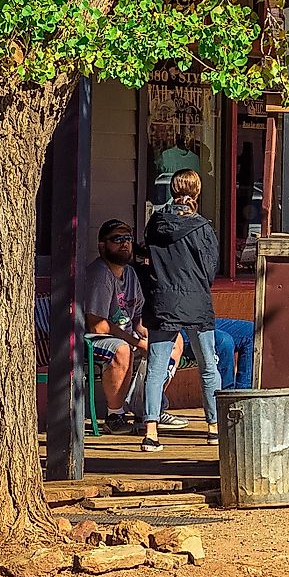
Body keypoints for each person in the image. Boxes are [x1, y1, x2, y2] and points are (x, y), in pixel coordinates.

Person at [140, 169, 223, 452]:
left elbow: (145, 258)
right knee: (208, 365)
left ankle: (151, 432)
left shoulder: (154, 224)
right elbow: (210, 269)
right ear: (197, 192)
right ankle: (213, 427)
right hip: (196, 302)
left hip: (163, 301)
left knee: (155, 367)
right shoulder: (202, 228)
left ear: (171, 190)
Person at [77, 219, 148, 429]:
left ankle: (151, 410)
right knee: (122, 350)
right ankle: (114, 416)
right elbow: (97, 325)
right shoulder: (100, 275)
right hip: (89, 340)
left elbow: (137, 316)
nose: (124, 243)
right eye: (117, 239)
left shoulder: (131, 274)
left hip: (124, 336)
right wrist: (135, 342)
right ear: (102, 245)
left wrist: (148, 336)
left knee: (172, 342)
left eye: (128, 238)